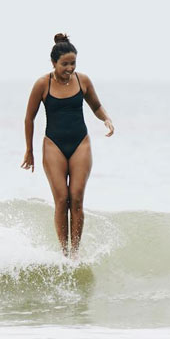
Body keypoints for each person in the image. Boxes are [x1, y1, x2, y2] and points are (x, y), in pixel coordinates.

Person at [21, 33, 114, 257]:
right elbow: (29, 118)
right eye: (65, 64)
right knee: (62, 199)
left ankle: (74, 254)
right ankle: (63, 253)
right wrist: (29, 151)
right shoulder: (42, 84)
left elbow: (96, 106)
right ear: (54, 62)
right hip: (53, 145)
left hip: (80, 143)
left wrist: (106, 119)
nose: (70, 68)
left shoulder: (83, 81)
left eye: (73, 63)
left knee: (77, 198)